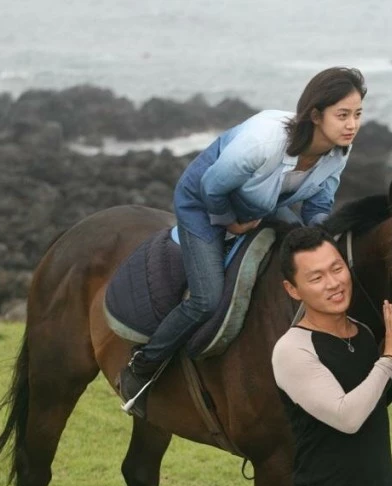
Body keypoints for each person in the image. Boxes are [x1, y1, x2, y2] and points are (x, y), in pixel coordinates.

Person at [119, 67, 367, 398]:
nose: (352, 125)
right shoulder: (263, 142)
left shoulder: (338, 151)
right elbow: (212, 186)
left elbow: (319, 206)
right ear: (316, 115)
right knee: (206, 300)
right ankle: (144, 364)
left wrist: (321, 246)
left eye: (358, 114)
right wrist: (230, 222)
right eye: (343, 115)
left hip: (259, 206)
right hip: (204, 203)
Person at [271, 226, 392, 486]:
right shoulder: (292, 350)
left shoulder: (364, 335)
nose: (333, 283)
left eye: (337, 268)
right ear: (292, 289)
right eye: (316, 277)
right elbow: (346, 416)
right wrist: (389, 358)